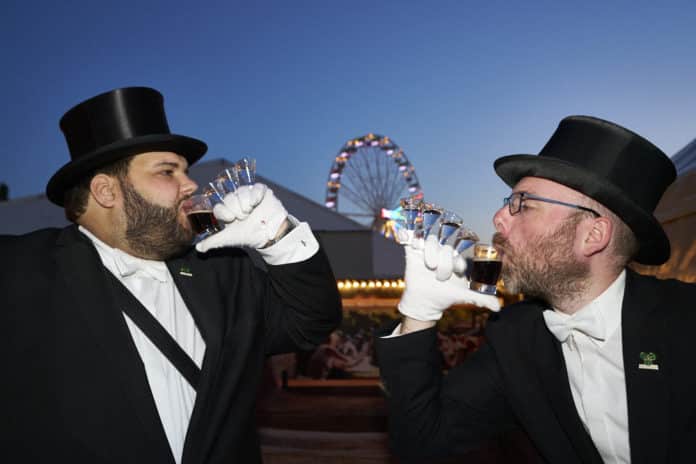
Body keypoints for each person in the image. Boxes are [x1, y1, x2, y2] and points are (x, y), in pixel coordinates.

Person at [0, 87, 342, 463]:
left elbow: (311, 322)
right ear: (105, 191)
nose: (191, 184)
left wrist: (279, 238)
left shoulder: (223, 272)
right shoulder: (20, 271)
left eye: (185, 170)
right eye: (168, 171)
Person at [375, 116, 696, 463]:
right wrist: (419, 315)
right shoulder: (515, 337)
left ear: (593, 236)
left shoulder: (687, 319)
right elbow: (421, 443)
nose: (498, 217)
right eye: (507, 201)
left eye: (523, 205)